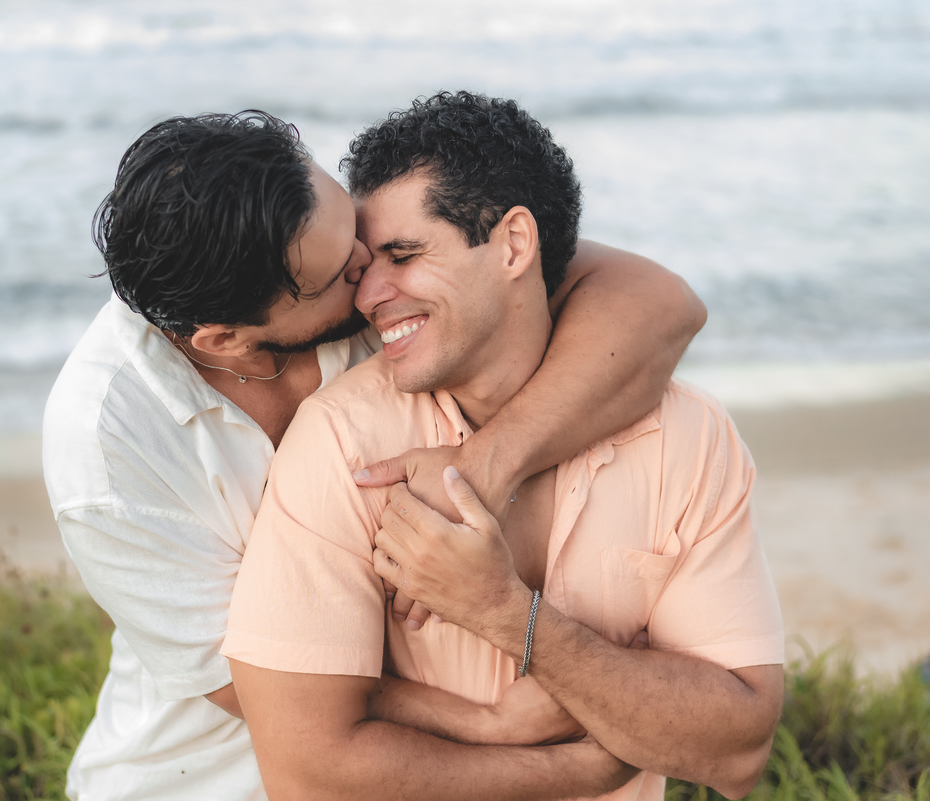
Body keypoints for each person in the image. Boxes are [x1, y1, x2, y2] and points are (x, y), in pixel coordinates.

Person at [42, 109, 706, 800]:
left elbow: (659, 302)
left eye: (355, 229)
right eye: (339, 273)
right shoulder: (107, 445)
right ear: (226, 340)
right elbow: (255, 684)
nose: (372, 272)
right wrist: (487, 721)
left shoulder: (317, 245)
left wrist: (483, 467)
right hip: (209, 778)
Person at [223, 92, 785, 801]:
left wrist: (506, 614)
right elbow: (307, 772)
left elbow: (737, 746)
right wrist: (589, 735)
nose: (368, 296)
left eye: (403, 254)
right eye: (367, 265)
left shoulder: (690, 437)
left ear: (515, 244)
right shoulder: (346, 444)